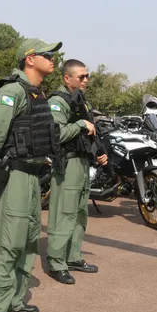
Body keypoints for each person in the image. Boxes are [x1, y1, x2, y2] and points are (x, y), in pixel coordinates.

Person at [0, 38, 63, 312]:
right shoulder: (12, 91)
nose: (54, 58)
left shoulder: (37, 93)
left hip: (32, 176)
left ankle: (15, 298)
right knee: (7, 242)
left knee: (27, 239)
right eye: (48, 54)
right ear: (30, 59)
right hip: (14, 175)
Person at [45, 59, 108, 285]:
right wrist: (81, 125)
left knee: (80, 213)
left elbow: (89, 132)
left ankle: (73, 257)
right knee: (64, 213)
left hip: (82, 163)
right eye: (81, 77)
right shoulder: (57, 101)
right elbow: (57, 134)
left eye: (86, 76)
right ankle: (56, 262)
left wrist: (99, 153)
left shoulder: (80, 101)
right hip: (67, 164)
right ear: (67, 78)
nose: (85, 80)